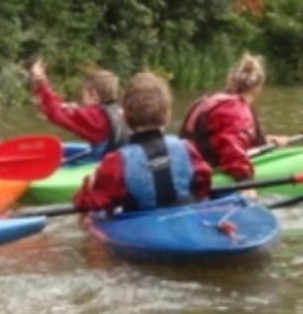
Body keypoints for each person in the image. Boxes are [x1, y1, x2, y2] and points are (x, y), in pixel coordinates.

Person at [73, 72, 212, 213]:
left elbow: (88, 204)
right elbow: (203, 185)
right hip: (185, 220)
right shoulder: (187, 148)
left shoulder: (116, 161)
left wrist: (87, 189)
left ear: (124, 118)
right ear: (167, 116)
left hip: (137, 229)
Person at [179, 52, 288, 181]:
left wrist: (267, 141)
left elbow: (226, 138)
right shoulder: (236, 110)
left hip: (190, 169)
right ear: (258, 88)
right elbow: (233, 150)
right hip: (207, 177)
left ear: (230, 80)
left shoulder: (209, 101)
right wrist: (245, 181)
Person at [29, 57, 129, 159]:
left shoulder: (95, 117)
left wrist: (41, 81)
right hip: (115, 158)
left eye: (84, 93)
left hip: (101, 165)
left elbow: (57, 113)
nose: (81, 98)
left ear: (94, 96)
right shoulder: (118, 111)